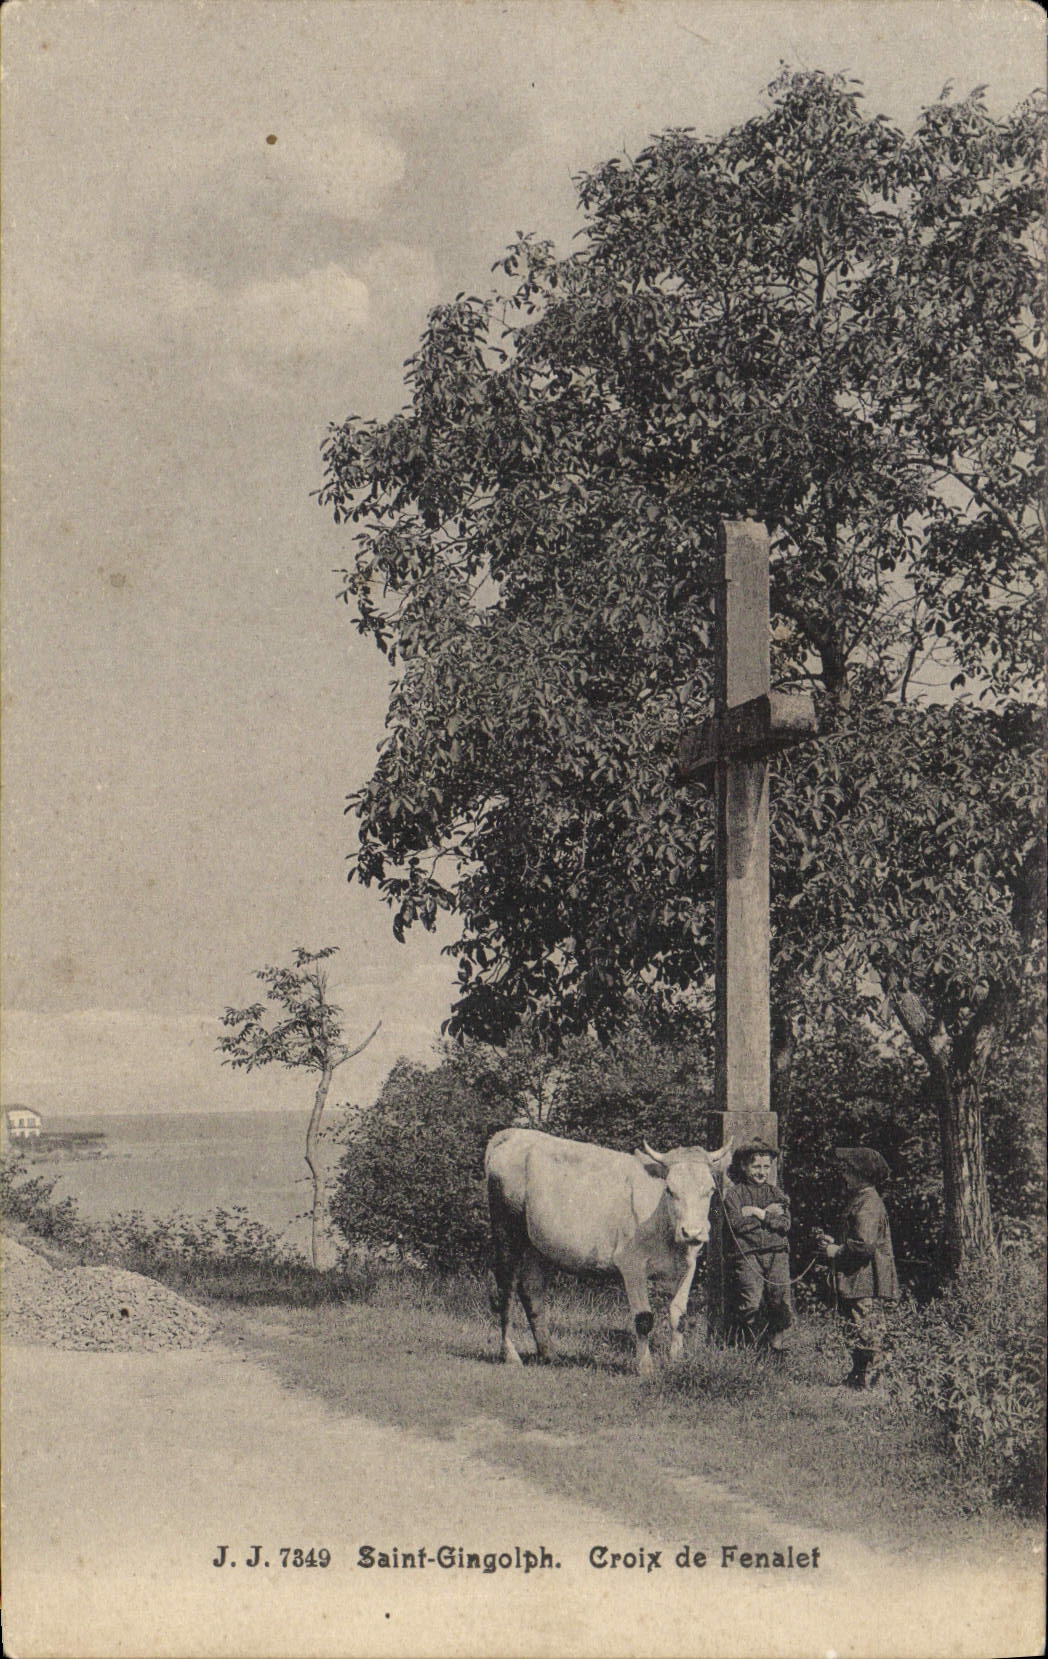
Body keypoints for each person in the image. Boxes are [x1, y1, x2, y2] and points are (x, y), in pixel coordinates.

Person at [817, 1145, 899, 1390]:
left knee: (867, 1329)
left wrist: (837, 1251)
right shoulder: (862, 1200)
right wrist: (836, 1243)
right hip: (860, 1279)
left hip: (868, 1280)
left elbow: (864, 1245)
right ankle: (859, 1378)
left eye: (847, 1172)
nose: (843, 1177)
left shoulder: (868, 1203)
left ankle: (874, 1383)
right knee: (856, 1327)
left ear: (860, 1175)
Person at [722, 1140, 793, 1354]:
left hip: (777, 1253)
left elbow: (784, 1224)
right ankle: (756, 1350)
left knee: (779, 1301)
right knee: (750, 1302)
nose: (761, 1172)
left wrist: (756, 1212)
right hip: (748, 1255)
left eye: (766, 1167)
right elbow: (736, 1225)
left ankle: (777, 1348)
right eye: (756, 1167)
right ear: (744, 1166)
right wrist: (768, 1215)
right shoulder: (734, 1195)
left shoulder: (776, 1194)